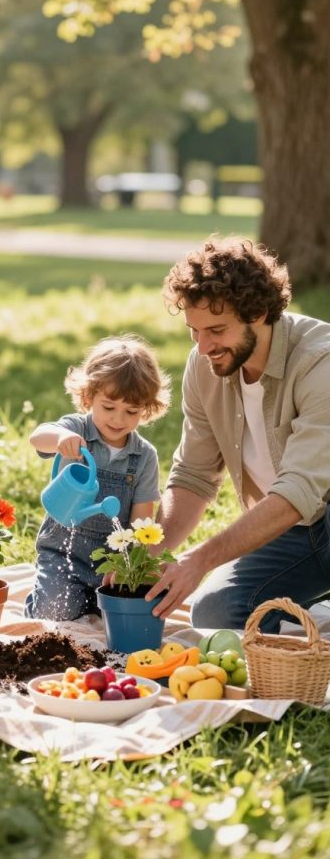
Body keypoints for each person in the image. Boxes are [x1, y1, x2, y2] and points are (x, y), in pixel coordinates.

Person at [146, 237, 330, 633]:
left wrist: (199, 560)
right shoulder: (205, 366)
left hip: (315, 514)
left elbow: (298, 492)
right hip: (296, 534)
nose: (203, 346)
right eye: (194, 330)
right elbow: (193, 476)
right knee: (215, 612)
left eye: (216, 330)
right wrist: (145, 553)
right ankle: (309, 618)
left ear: (259, 312)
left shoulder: (320, 362)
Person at [25, 334, 170, 620]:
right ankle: (41, 600)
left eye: (131, 411)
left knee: (134, 615)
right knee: (55, 612)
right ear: (89, 396)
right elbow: (37, 437)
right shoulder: (75, 430)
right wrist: (61, 438)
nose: (118, 420)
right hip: (63, 555)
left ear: (146, 408)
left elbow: (143, 522)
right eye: (108, 407)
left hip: (112, 563)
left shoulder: (144, 456)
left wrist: (130, 565)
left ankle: (91, 602)